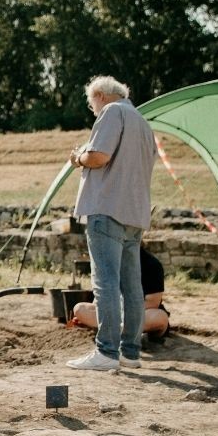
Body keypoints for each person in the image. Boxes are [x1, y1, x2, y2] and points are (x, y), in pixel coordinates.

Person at [66, 75, 157, 371]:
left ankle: (106, 351)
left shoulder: (112, 112)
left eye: (92, 103)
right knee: (132, 286)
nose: (92, 110)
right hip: (135, 213)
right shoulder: (143, 123)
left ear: (101, 96)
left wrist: (79, 157)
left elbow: (99, 156)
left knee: (104, 283)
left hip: (107, 208)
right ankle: (131, 352)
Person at [68, 247, 171, 341]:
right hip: (113, 315)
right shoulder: (108, 264)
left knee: (160, 317)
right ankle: (117, 331)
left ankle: (116, 330)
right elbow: (100, 298)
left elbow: (152, 303)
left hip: (138, 315)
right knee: (79, 309)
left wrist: (123, 315)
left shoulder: (152, 265)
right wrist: (95, 313)